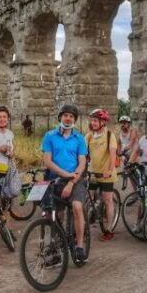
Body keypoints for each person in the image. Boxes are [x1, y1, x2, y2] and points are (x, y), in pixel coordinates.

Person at [41, 104, 89, 263]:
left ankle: (80, 246)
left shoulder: (79, 138)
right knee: (54, 214)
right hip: (55, 179)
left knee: (76, 206)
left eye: (71, 116)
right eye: (65, 115)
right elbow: (47, 161)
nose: (68, 118)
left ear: (75, 120)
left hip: (75, 179)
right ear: (60, 117)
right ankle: (56, 248)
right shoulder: (49, 136)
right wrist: (64, 174)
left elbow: (82, 163)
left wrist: (71, 180)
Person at [85, 108, 118, 242]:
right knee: (89, 198)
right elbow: (83, 154)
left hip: (106, 174)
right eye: (92, 120)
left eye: (95, 121)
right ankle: (90, 217)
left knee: (107, 200)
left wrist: (109, 170)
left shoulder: (110, 135)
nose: (93, 123)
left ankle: (109, 229)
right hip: (93, 172)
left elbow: (112, 155)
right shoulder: (89, 136)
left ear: (103, 122)